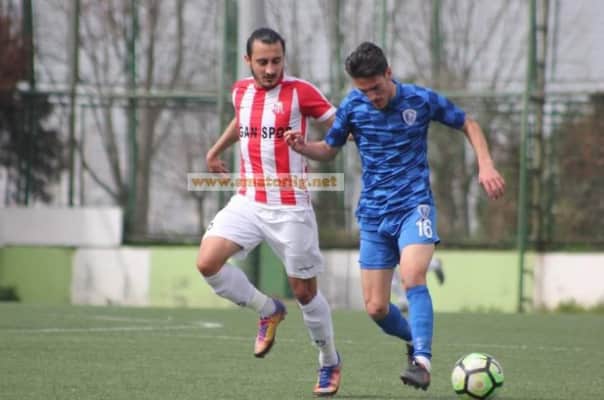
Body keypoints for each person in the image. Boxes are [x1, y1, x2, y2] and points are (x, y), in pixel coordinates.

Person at [286, 42, 505, 391]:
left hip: (414, 206)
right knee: (376, 308)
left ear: (388, 73)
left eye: (376, 87)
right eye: (364, 90)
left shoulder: (419, 99)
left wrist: (486, 164)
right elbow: (329, 149)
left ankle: (422, 362)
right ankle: (413, 340)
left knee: (413, 275)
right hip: (374, 215)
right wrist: (303, 147)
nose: (372, 96)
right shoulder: (352, 106)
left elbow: (468, 123)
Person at [195, 28, 342, 397]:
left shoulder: (301, 92)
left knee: (305, 292)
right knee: (207, 263)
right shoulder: (240, 91)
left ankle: (329, 361)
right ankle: (267, 310)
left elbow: (341, 129)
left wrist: (308, 144)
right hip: (248, 200)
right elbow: (242, 123)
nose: (271, 68)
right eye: (262, 61)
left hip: (291, 206)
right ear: (248, 61)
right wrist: (215, 150)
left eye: (277, 60)